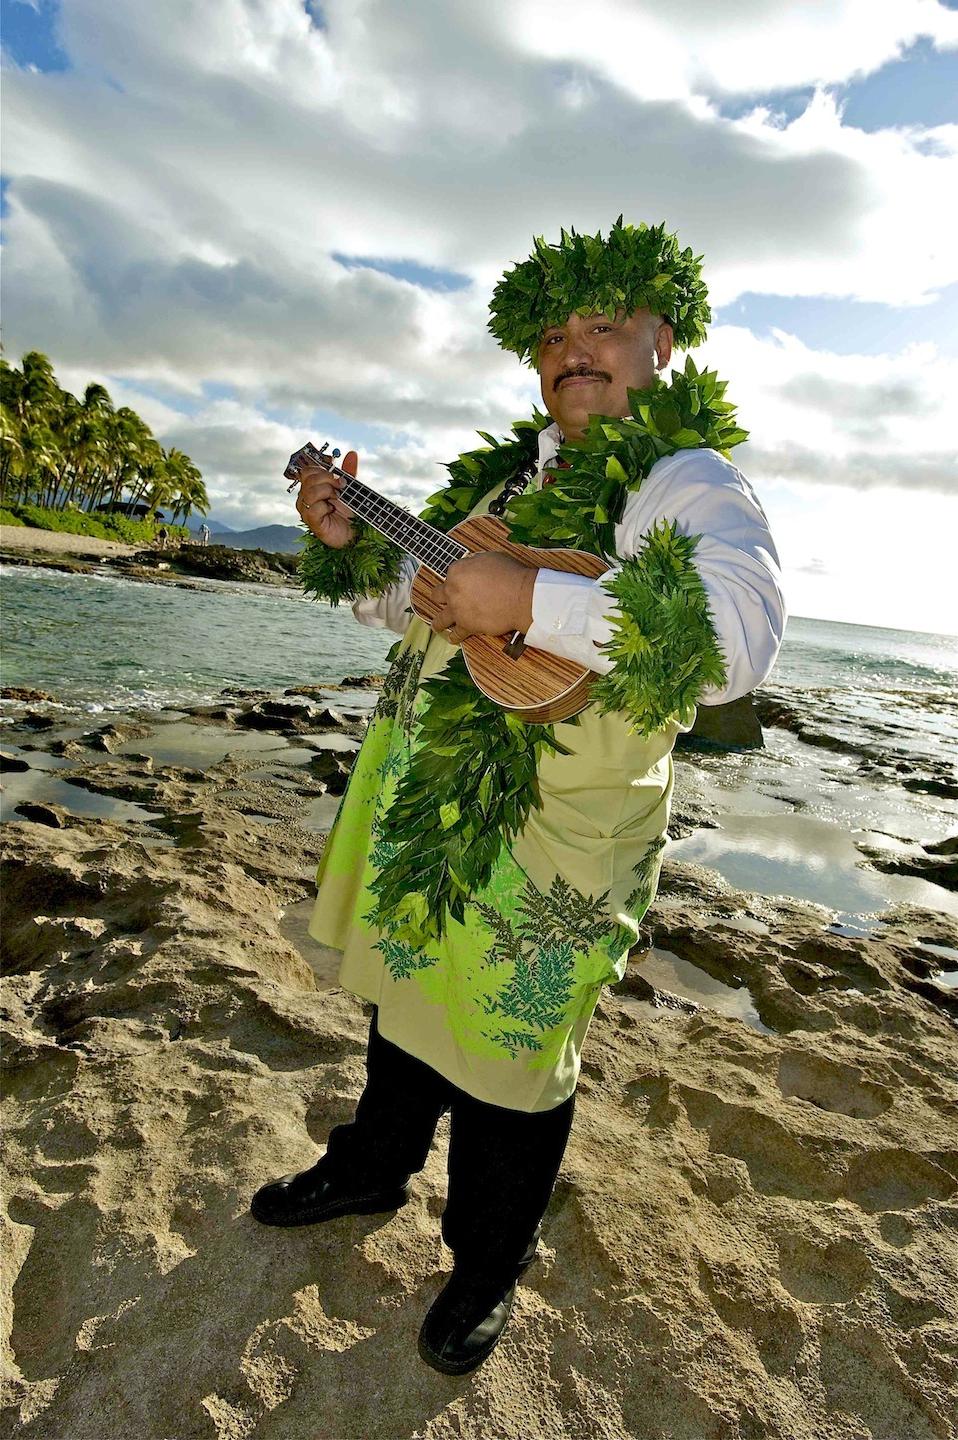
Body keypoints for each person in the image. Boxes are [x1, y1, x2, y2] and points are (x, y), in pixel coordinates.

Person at [252, 219, 786, 1375]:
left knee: (510, 1056)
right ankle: (369, 1167)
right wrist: (357, 544)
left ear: (666, 338)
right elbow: (416, 606)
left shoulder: (686, 480)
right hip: (430, 796)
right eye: (554, 334)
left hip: (563, 834)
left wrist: (529, 606)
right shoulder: (505, 479)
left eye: (602, 325)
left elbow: (735, 643)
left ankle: (486, 1262)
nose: (572, 349)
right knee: (401, 1003)